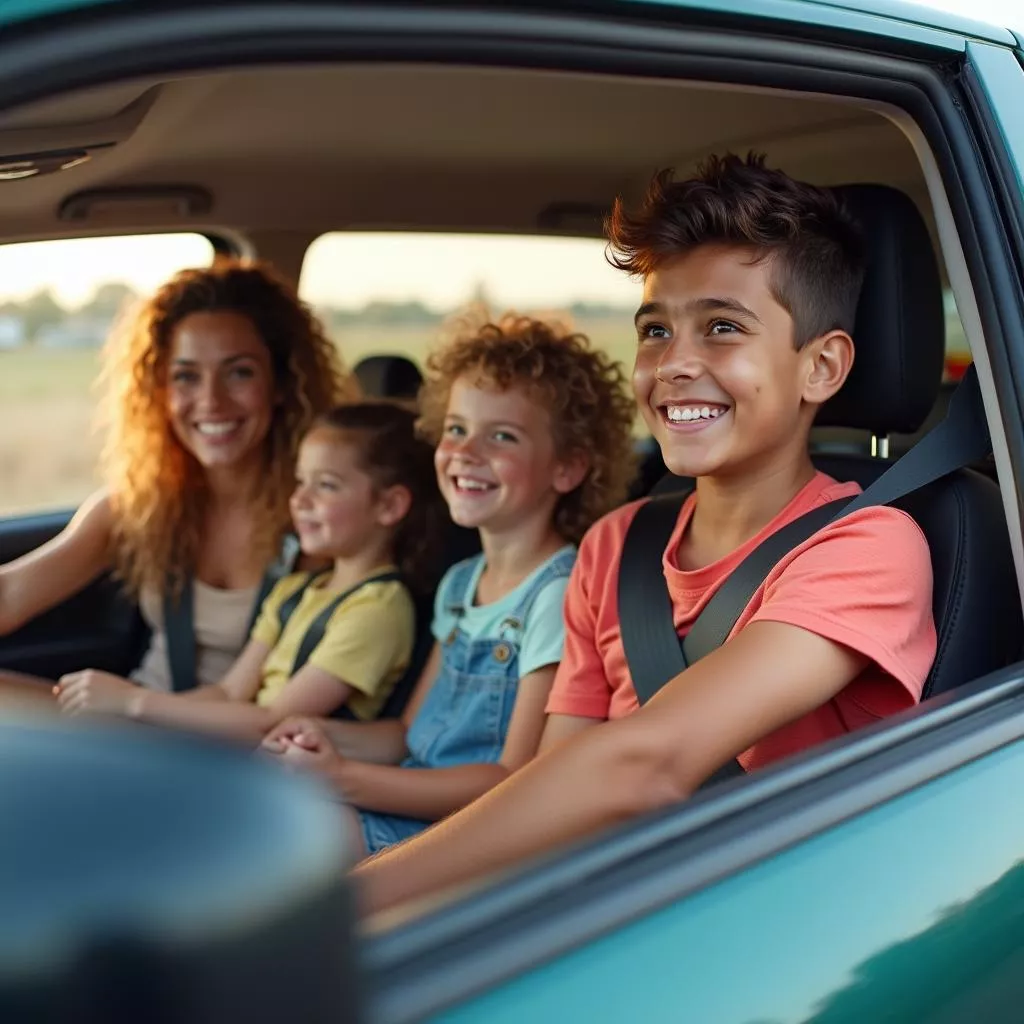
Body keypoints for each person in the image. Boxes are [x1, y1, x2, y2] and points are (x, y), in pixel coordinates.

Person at [346, 153, 937, 914]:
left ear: (820, 367)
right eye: (656, 330)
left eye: (722, 328)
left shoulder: (867, 548)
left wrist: (345, 906)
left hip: (755, 915)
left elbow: (644, 766)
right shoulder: (617, 544)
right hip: (609, 894)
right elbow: (554, 789)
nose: (673, 365)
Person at [262, 314, 636, 858]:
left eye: (501, 436)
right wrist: (316, 737)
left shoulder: (557, 594)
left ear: (568, 467)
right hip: (409, 804)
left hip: (466, 834)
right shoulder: (461, 585)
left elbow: (514, 778)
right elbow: (409, 736)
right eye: (456, 429)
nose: (465, 451)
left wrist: (342, 778)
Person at [0, 259, 350, 708]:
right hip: (134, 730)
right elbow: (9, 595)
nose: (211, 401)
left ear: (281, 385)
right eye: (186, 376)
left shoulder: (321, 517)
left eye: (239, 372)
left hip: (251, 747)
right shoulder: (139, 507)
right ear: (160, 393)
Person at [56, 402, 443, 744]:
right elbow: (228, 692)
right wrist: (131, 718)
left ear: (390, 506)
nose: (300, 499)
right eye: (300, 481)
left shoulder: (377, 611)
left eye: (326, 486)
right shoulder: (296, 589)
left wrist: (135, 702)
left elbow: (275, 722)